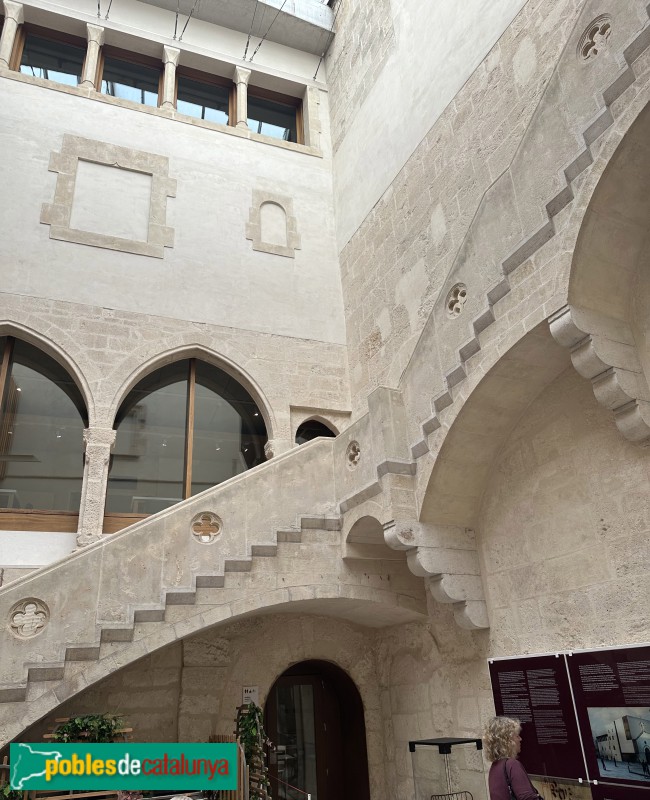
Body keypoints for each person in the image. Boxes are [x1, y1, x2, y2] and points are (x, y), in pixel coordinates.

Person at [483, 716, 542, 800]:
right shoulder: (512, 764)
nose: (520, 739)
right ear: (507, 740)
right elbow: (527, 797)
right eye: (517, 736)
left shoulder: (495, 766)